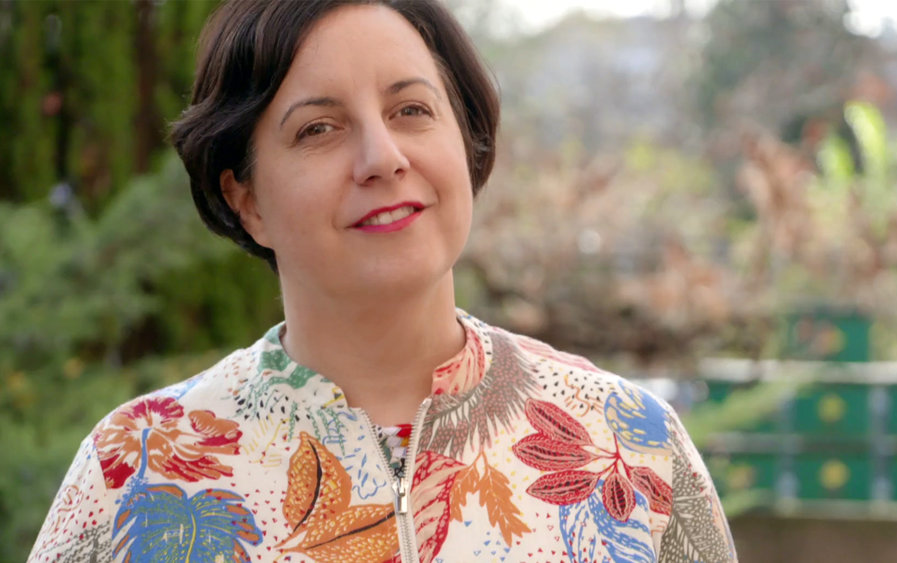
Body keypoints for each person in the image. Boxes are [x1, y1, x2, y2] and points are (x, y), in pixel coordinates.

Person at [29, 1, 737, 561]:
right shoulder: (136, 468)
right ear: (246, 200)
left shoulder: (631, 442)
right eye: (318, 129)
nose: (382, 156)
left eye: (411, 111)